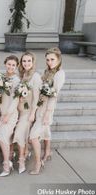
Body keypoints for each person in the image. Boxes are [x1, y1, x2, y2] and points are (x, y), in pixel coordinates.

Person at [29, 47, 65, 175]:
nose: (50, 62)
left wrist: (48, 114)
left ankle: (38, 163)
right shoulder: (47, 71)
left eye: (52, 59)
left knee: (33, 137)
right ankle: (47, 152)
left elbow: (54, 95)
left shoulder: (59, 74)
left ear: (59, 59)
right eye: (48, 60)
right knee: (46, 131)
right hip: (40, 106)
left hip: (46, 110)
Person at [12, 52, 42, 174]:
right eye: (24, 61)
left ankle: (22, 160)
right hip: (18, 111)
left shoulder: (35, 76)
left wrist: (32, 113)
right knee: (21, 135)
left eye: (29, 61)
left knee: (19, 133)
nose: (26, 63)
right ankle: (25, 153)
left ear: (33, 62)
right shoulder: (21, 75)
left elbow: (36, 98)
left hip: (28, 112)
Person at [0, 55, 20, 177]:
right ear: (5, 63)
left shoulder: (17, 81)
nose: (10, 67)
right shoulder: (2, 77)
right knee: (3, 136)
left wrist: (7, 115)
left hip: (10, 114)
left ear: (16, 67)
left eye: (13, 65)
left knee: (2, 136)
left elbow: (15, 100)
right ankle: (9, 156)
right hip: (2, 112)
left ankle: (7, 164)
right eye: (9, 64)